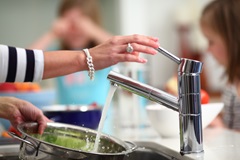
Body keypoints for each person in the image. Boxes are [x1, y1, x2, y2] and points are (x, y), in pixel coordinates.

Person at [0, 34, 159, 134]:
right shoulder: (58, 52)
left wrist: (6, 104)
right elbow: (15, 63)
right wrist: (86, 57)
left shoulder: (104, 59)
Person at [30, 0, 113, 105]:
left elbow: (120, 48)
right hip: (65, 120)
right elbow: (26, 61)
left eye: (80, 24)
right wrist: (52, 34)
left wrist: (93, 30)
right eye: (69, 24)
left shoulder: (103, 54)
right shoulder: (57, 54)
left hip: (102, 120)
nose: (75, 30)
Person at [200, 0, 240, 130]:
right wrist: (220, 125)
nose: (208, 49)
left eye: (211, 41)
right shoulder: (232, 82)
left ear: (232, 39)